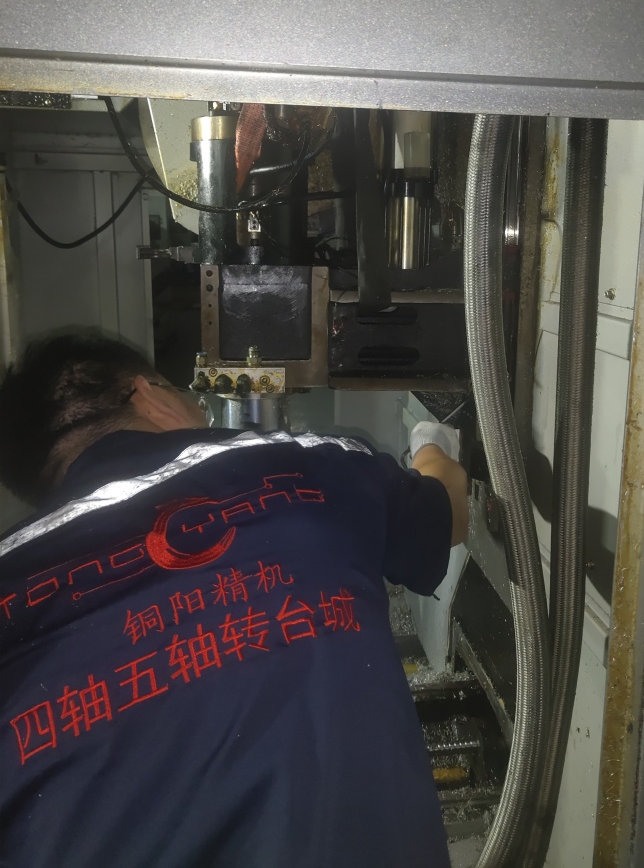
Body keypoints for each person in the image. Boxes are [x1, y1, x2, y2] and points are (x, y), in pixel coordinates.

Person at [0, 332, 467, 868]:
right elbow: (449, 509)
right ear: (148, 396)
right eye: (181, 392)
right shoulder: (303, 464)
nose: (199, 408)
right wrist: (429, 446)